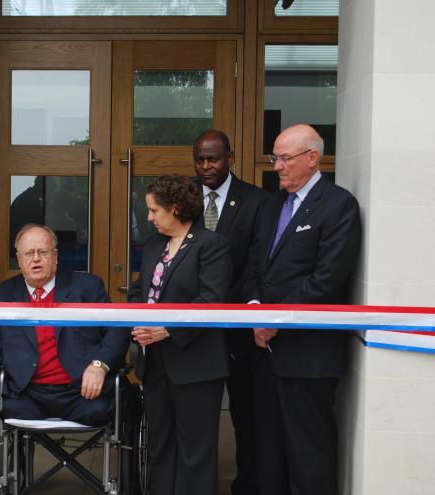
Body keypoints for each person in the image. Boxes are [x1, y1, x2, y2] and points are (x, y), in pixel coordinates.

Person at [244, 124, 361, 495]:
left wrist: (274, 319)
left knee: (308, 455)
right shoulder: (270, 205)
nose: (276, 166)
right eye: (274, 157)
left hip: (308, 356)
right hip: (264, 352)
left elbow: (326, 280)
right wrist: (254, 311)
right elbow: (252, 267)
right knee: (268, 452)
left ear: (313, 159)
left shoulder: (338, 204)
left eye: (284, 158)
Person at [129, 174, 232, 495]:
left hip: (197, 366)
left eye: (153, 210)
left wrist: (167, 330)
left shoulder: (212, 245)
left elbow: (211, 300)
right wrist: (138, 320)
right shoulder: (154, 245)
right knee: (160, 446)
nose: (148, 217)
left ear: (175, 208)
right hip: (156, 364)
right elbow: (137, 290)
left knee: (195, 453)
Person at [0, 224, 129, 426]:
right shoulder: (1, 296)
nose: (36, 259)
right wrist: (1, 386)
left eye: (43, 252)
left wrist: (99, 366)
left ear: (56, 256)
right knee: (12, 415)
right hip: (28, 394)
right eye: (28, 253)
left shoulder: (87, 287)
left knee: (105, 410)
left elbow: (117, 329)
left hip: (82, 392)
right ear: (19, 258)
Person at [193, 129, 269, 495]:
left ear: (231, 159)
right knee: (195, 416)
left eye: (214, 158)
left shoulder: (256, 201)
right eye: (200, 160)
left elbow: (258, 263)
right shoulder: (184, 197)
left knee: (246, 415)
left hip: (239, 328)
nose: (206, 166)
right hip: (192, 331)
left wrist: (237, 305)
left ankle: (248, 486)